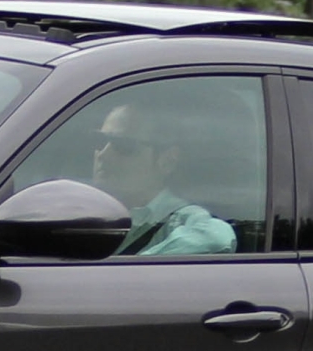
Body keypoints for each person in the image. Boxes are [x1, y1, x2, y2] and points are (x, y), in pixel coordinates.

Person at [92, 101, 235, 256]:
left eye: (123, 145)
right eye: (100, 141)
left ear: (168, 160)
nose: (103, 155)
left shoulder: (179, 218)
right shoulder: (84, 212)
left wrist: (134, 265)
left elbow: (217, 237)